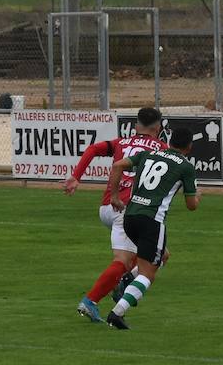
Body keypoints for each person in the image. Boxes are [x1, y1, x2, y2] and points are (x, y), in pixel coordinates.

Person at [64, 107, 167, 322]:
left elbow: (93, 149)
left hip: (107, 206)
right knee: (124, 260)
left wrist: (76, 177)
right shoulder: (161, 149)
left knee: (161, 254)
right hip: (127, 209)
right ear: (158, 128)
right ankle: (91, 301)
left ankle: (123, 281)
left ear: (136, 126)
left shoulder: (121, 142)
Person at [102, 127, 200, 330]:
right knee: (148, 275)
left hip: (129, 217)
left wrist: (114, 196)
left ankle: (128, 279)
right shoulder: (186, 166)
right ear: (189, 147)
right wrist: (198, 195)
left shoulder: (148, 154)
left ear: (170, 141)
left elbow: (118, 165)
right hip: (151, 220)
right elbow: (192, 206)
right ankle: (117, 313)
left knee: (163, 255)